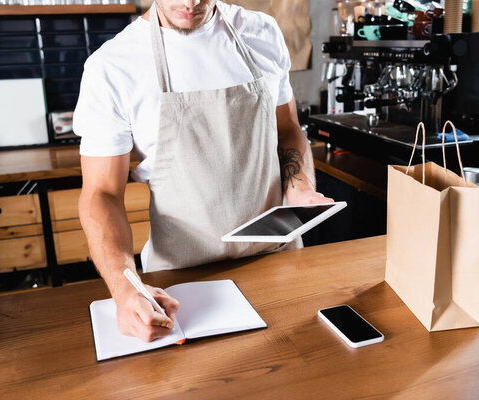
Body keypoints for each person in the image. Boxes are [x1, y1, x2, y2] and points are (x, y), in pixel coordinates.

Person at [74, 0, 332, 343]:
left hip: (279, 264)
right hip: (182, 287)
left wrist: (299, 188)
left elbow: (286, 129)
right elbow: (101, 194)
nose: (191, 2)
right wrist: (124, 288)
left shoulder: (262, 33)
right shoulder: (112, 66)